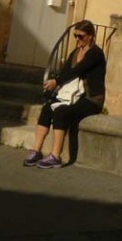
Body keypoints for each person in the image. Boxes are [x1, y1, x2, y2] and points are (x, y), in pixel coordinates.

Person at [23, 19, 106, 168]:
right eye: (75, 36)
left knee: (61, 111)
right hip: (73, 96)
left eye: (81, 36)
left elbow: (78, 70)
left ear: (90, 36)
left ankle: (55, 156)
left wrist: (56, 81)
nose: (77, 39)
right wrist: (56, 82)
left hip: (91, 99)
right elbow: (67, 70)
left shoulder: (96, 54)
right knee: (47, 108)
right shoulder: (75, 52)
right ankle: (36, 151)